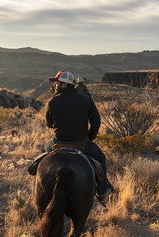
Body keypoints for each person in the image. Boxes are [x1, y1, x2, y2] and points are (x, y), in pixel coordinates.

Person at [44, 70, 112, 203]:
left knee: (42, 155)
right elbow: (96, 121)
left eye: (57, 83)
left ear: (64, 84)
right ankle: (102, 191)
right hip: (81, 143)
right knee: (101, 159)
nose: (55, 85)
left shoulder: (51, 102)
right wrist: (90, 138)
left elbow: (49, 124)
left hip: (58, 142)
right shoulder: (87, 100)